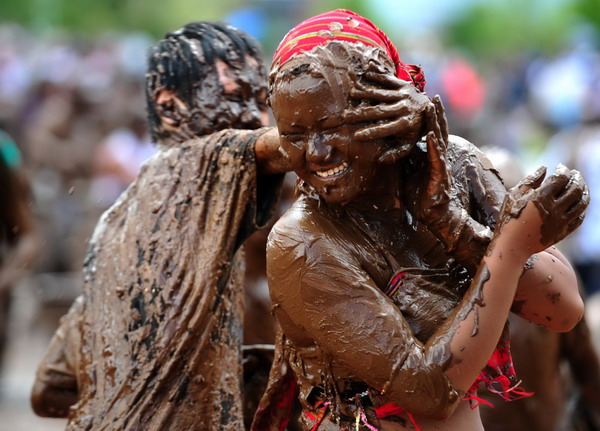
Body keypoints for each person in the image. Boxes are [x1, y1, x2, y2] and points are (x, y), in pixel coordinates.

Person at [253, 9, 589, 431]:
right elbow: (430, 394)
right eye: (295, 135)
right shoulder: (301, 242)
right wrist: (508, 247)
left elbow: (562, 311)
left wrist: (450, 222)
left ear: (386, 104)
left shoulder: (454, 163)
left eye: (334, 125)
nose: (317, 153)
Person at [30, 22, 294, 430]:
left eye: (262, 100)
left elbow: (50, 387)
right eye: (236, 97)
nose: (257, 116)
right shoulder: (194, 165)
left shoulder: (117, 225)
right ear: (170, 107)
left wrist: (215, 371)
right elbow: (305, 142)